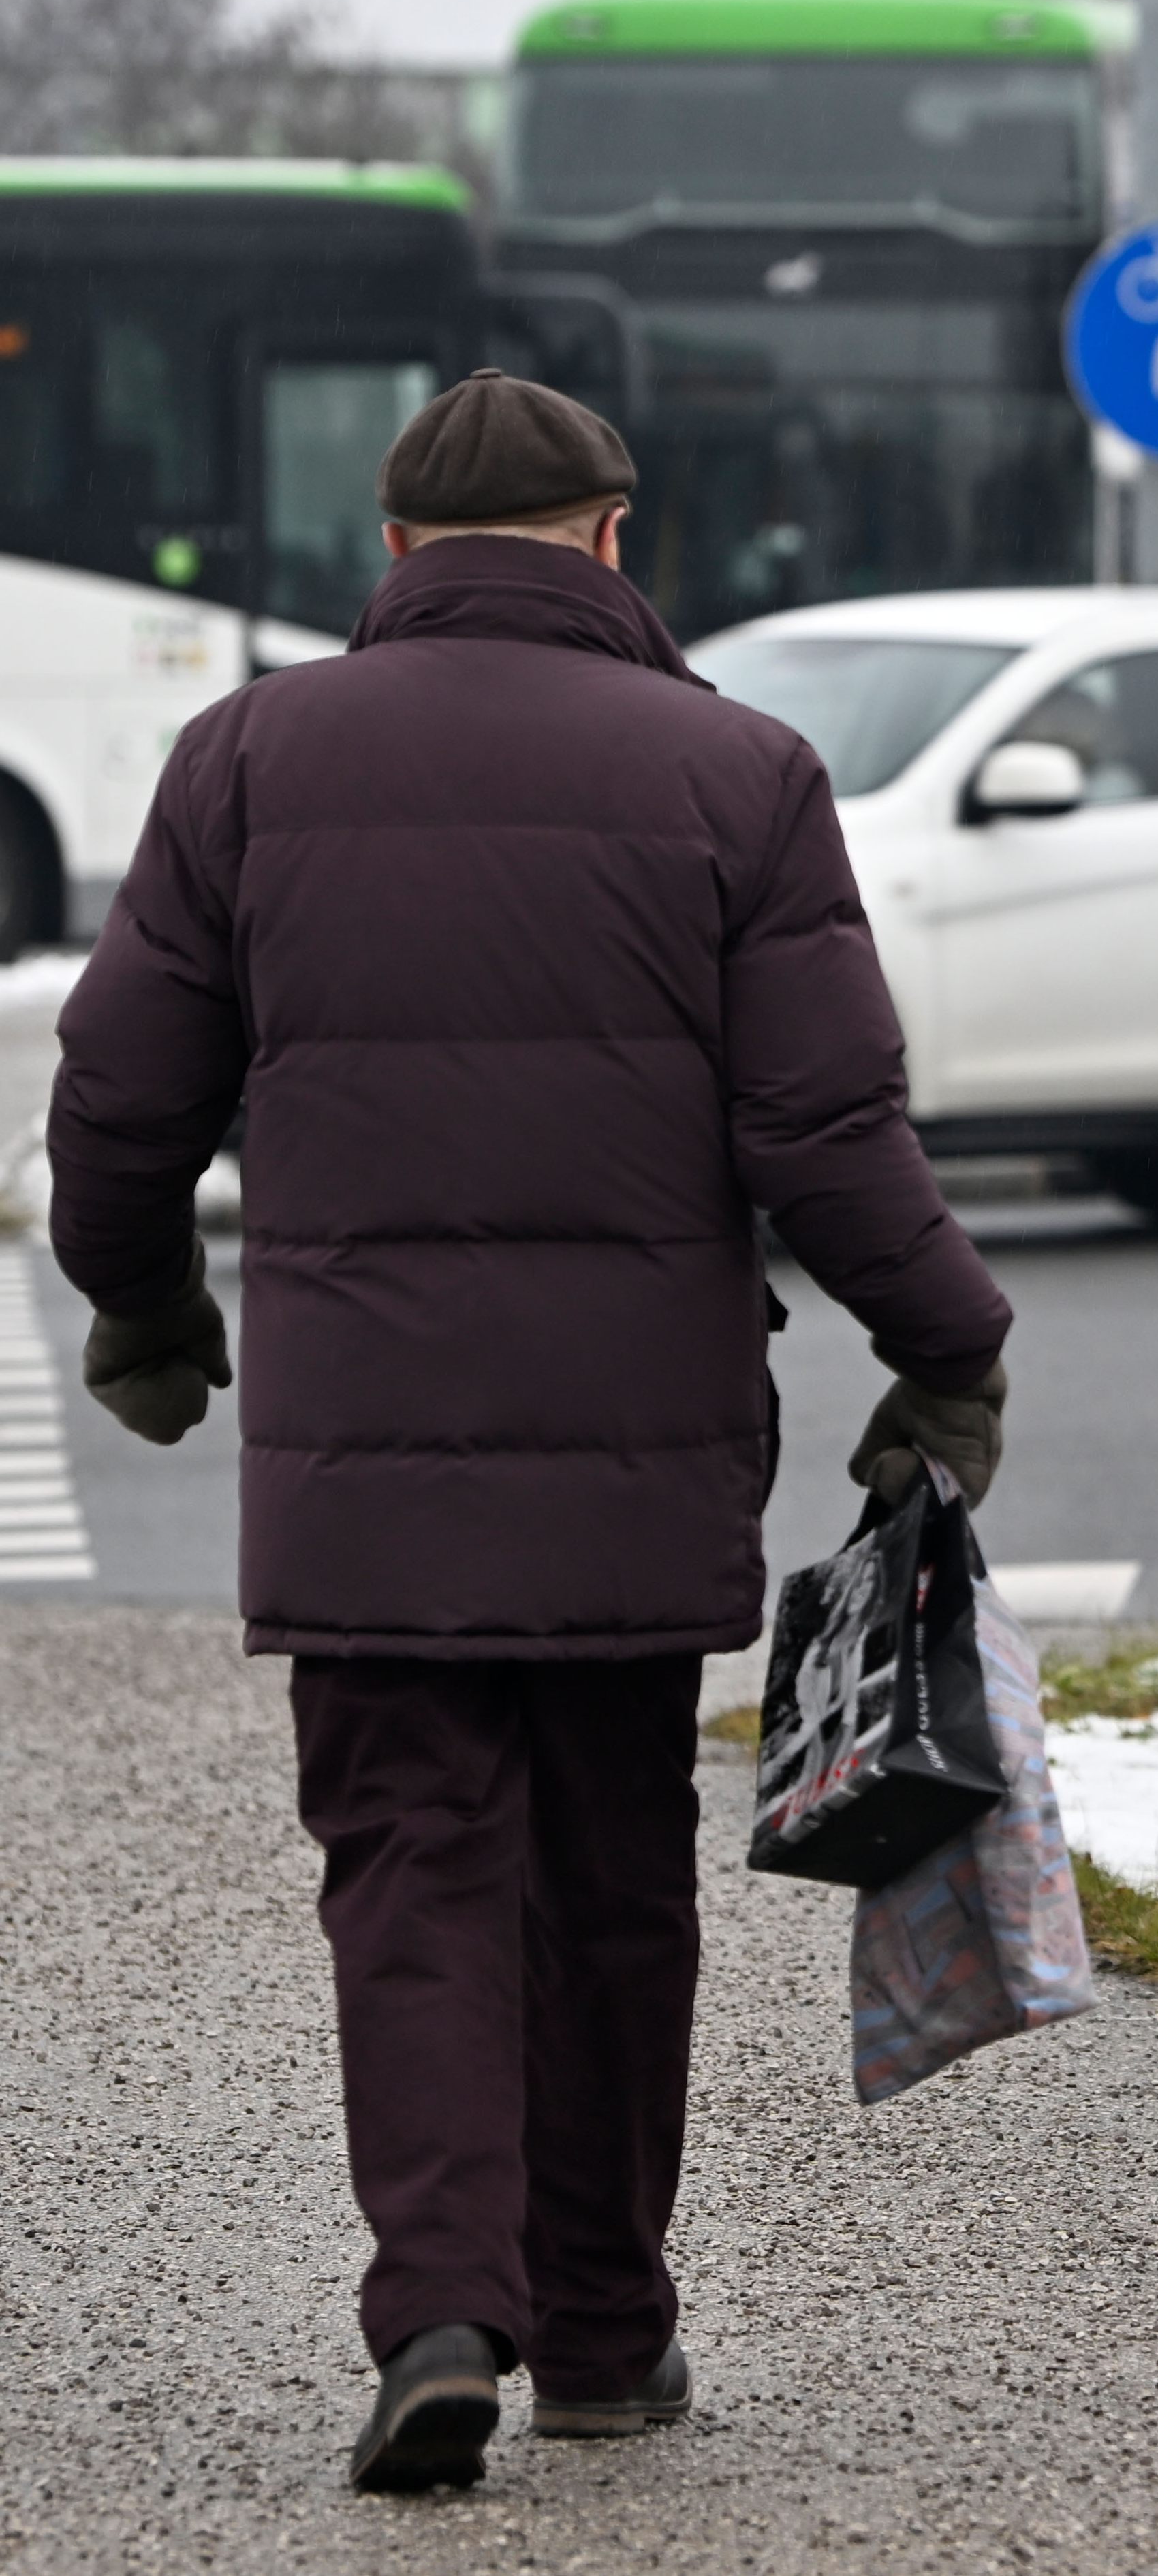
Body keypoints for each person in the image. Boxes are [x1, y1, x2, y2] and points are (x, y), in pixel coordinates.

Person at [46, 369, 1013, 2494]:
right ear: (612, 537)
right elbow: (823, 1125)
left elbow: (118, 1093)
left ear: (393, 552)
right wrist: (947, 1346)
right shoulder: (740, 771)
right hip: (634, 1444)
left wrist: (144, 1295)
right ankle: (599, 2326)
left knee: (408, 1862)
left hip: (364, 1461)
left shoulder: (246, 760)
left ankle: (436, 2314)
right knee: (609, 1875)